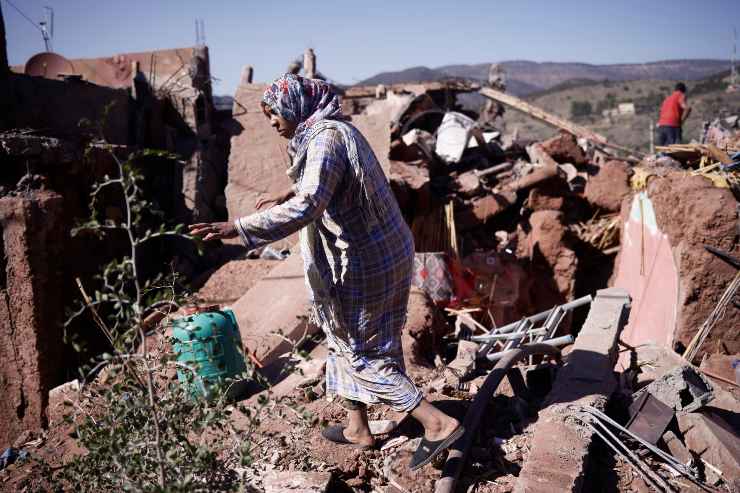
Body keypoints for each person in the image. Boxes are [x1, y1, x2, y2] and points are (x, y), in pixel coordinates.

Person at [189, 74, 462, 470]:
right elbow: (324, 185)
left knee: (363, 352)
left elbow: (308, 207)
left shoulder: (325, 139)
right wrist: (291, 192)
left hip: (367, 260)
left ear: (297, 105)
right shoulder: (328, 131)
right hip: (380, 251)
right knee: (341, 337)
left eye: (275, 113)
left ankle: (436, 423)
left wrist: (240, 228)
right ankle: (358, 427)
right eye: (267, 116)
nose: (272, 122)